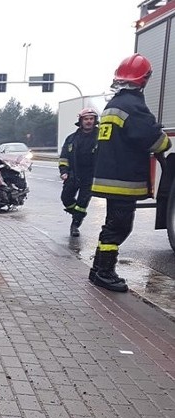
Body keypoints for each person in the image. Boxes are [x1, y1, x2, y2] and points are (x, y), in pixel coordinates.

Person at [89, 54, 171, 292]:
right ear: (144, 79)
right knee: (120, 227)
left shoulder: (114, 104)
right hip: (123, 179)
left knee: (112, 225)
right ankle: (104, 272)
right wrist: (165, 141)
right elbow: (153, 140)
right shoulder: (133, 106)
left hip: (112, 177)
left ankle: (98, 269)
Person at [59, 108, 99, 237]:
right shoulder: (71, 138)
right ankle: (78, 214)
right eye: (86, 119)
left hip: (91, 176)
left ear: (95, 121)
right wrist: (64, 171)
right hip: (73, 174)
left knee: (82, 203)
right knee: (65, 198)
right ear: (81, 121)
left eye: (91, 119)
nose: (88, 122)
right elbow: (64, 157)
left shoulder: (101, 137)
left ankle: (75, 225)